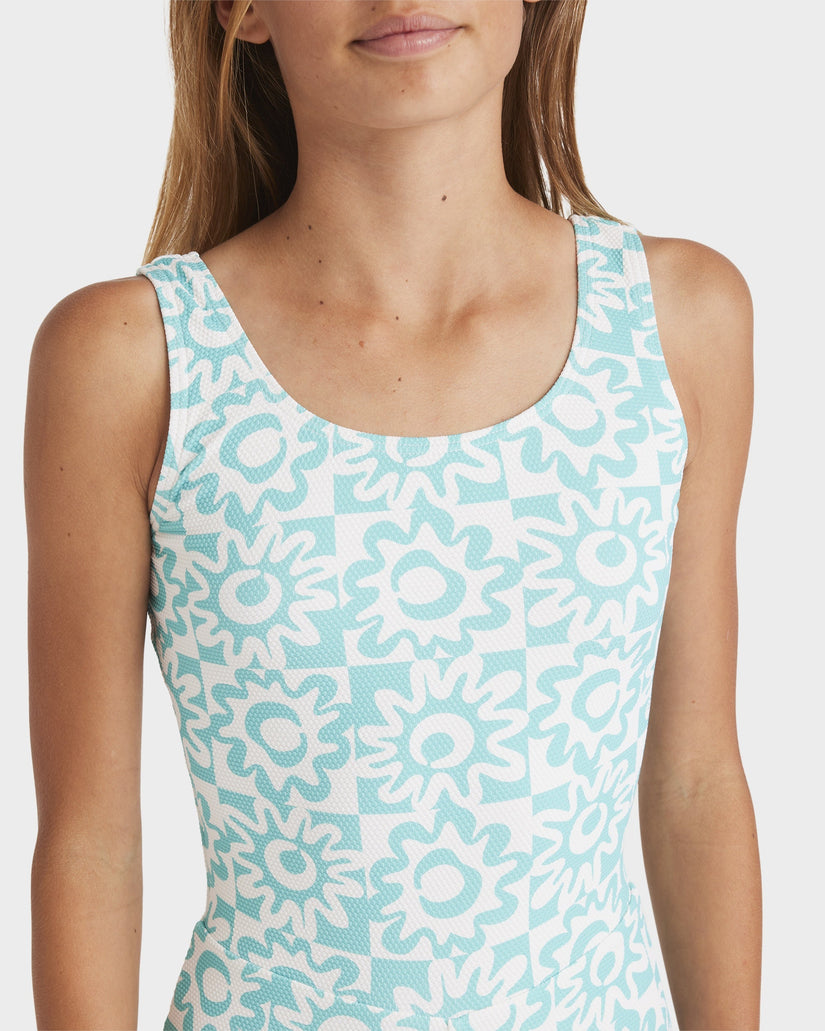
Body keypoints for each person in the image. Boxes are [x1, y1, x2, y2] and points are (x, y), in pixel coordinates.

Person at [24, 2, 762, 1029]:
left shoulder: (677, 324)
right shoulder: (131, 361)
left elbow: (695, 782)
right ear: (243, 10)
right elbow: (93, 842)